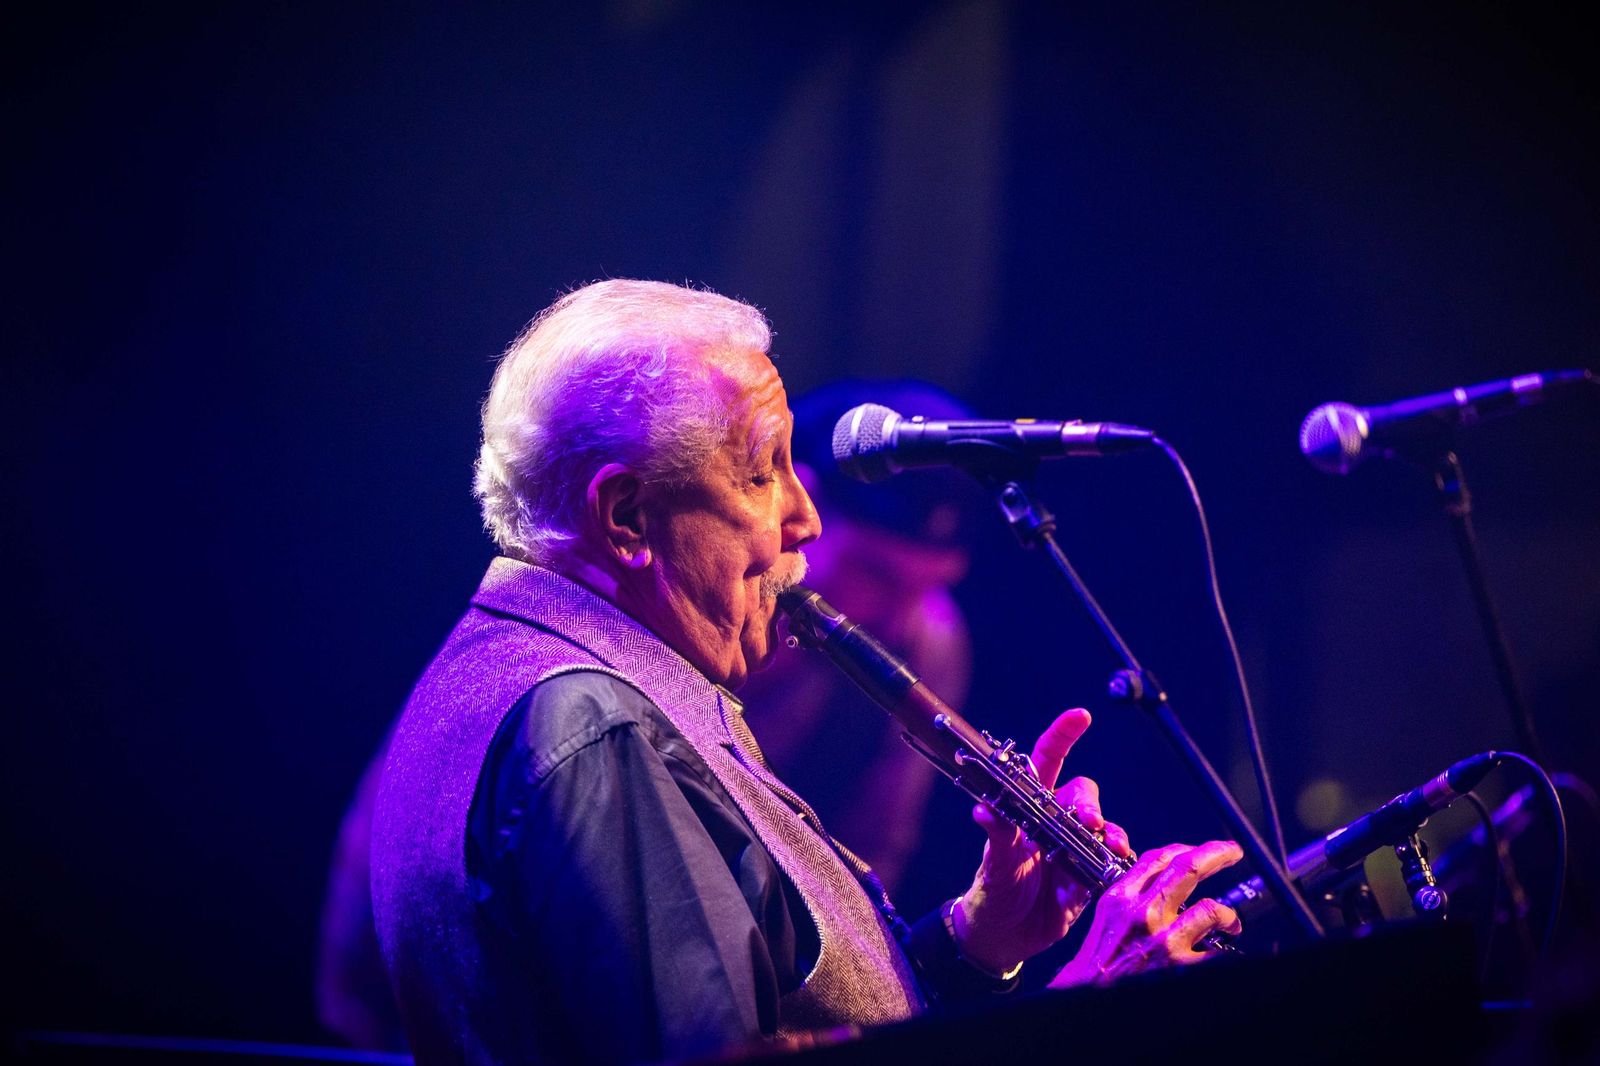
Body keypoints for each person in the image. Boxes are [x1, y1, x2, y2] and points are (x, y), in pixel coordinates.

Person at [369, 279, 1244, 1064]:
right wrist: (1085, 1010)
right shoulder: (596, 725)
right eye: (762, 472)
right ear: (627, 515)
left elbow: (785, 1005)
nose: (806, 518)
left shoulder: (542, 673)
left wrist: (972, 945)